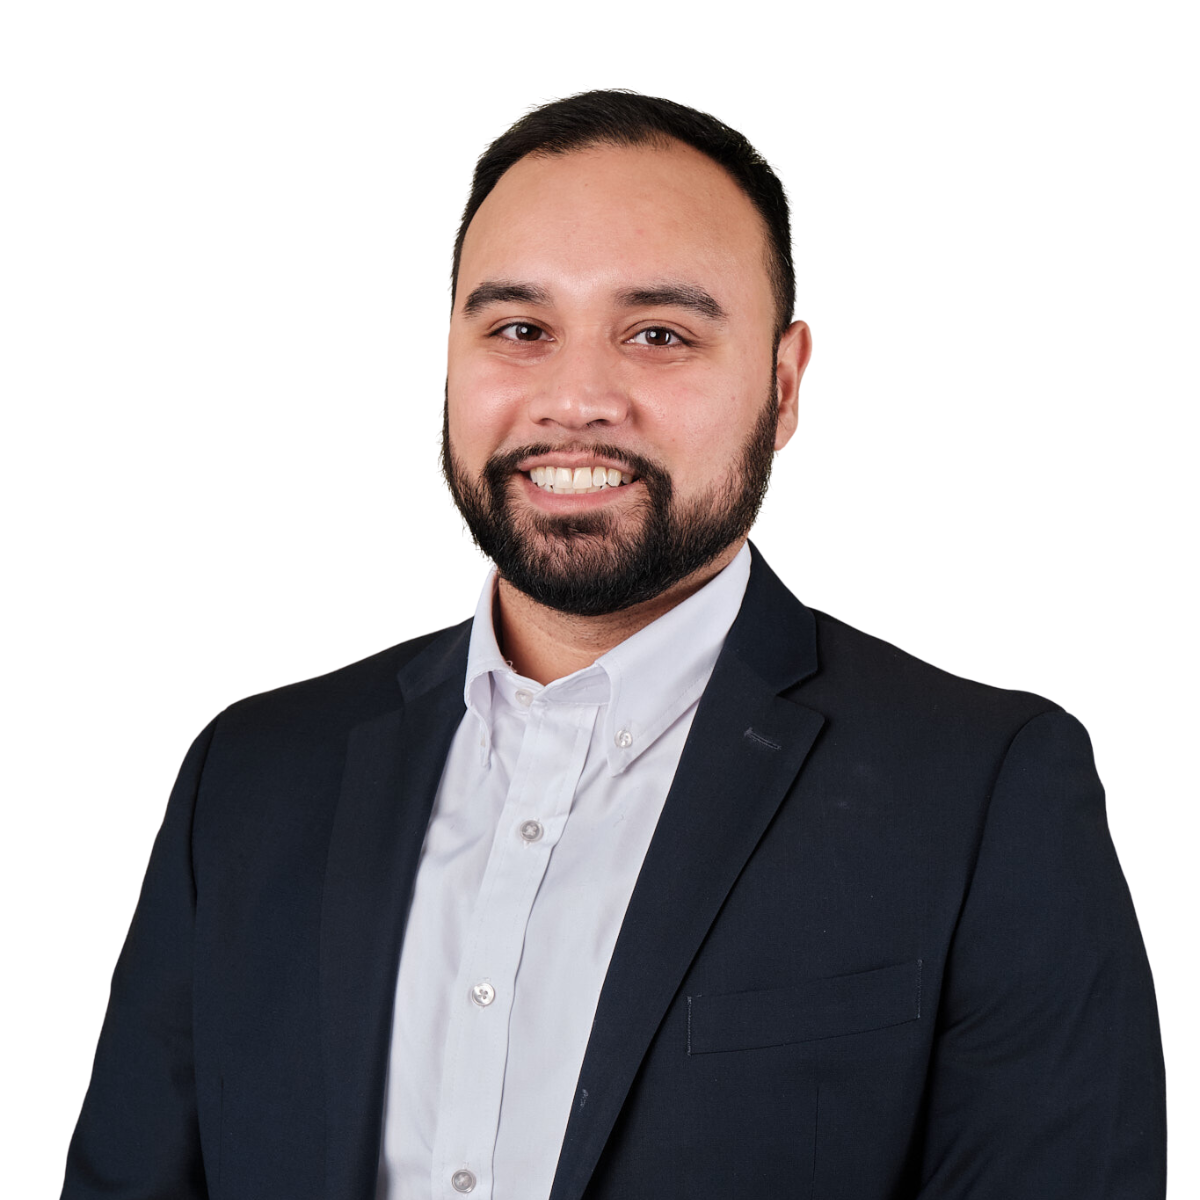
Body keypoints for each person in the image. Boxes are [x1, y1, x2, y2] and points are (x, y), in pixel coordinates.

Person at [61, 90, 1166, 1200]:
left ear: (782, 387)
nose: (577, 398)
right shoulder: (251, 779)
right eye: (519, 330)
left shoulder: (984, 792)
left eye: (659, 335)